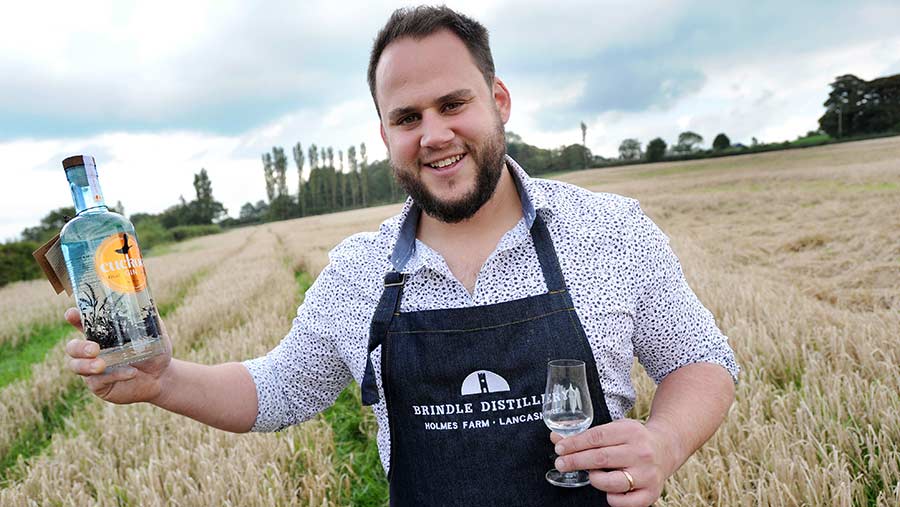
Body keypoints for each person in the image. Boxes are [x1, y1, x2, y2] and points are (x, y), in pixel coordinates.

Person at [65, 6, 739, 506]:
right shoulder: (359, 270)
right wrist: (163, 381)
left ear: (498, 101)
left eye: (453, 104)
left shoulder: (608, 229)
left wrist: (667, 441)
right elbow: (277, 388)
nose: (434, 134)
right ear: (385, 133)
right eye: (407, 117)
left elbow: (699, 357)